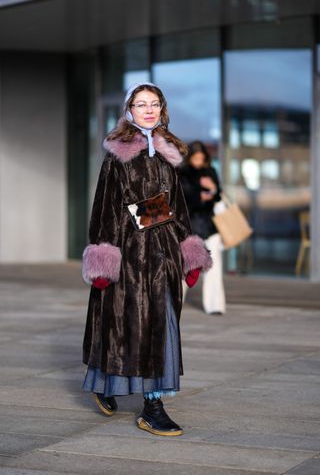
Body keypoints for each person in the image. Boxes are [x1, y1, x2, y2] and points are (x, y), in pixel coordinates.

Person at [81, 83, 212, 437]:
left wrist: (190, 254)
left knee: (162, 326)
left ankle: (153, 405)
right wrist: (103, 259)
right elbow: (105, 209)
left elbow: (179, 209)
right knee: (121, 327)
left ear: (163, 109)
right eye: (141, 104)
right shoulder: (117, 156)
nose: (149, 110)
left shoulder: (170, 153)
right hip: (128, 256)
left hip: (165, 255)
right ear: (130, 111)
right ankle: (106, 383)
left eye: (155, 104)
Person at [180, 140, 226, 315]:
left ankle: (215, 305)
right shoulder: (182, 173)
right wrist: (200, 196)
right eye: (195, 158)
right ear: (190, 157)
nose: (198, 161)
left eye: (201, 158)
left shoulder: (211, 171)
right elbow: (182, 200)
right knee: (184, 268)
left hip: (209, 227)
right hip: (189, 229)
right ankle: (176, 301)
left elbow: (218, 197)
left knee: (213, 269)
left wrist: (213, 189)